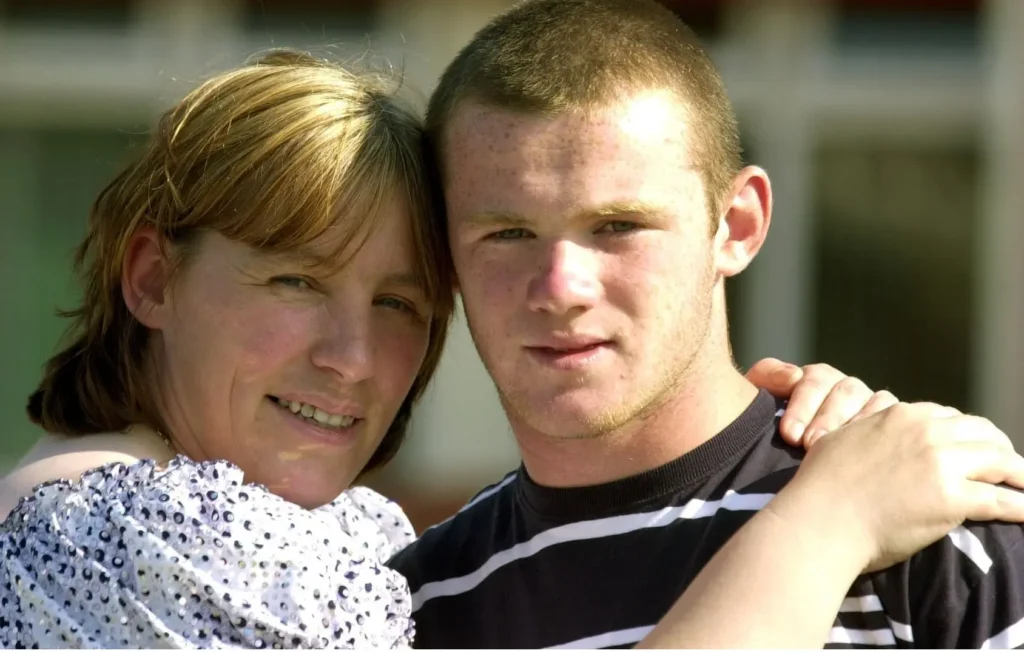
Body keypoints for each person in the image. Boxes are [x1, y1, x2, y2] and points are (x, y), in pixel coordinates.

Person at [0, 48, 913, 649]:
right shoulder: (137, 537)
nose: (353, 356)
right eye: (297, 280)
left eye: (400, 302)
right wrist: (823, 520)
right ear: (153, 278)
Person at [386, 0, 1024, 648]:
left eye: (617, 225)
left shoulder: (932, 526)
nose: (560, 287)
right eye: (508, 232)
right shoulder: (409, 608)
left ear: (736, 226)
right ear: (446, 255)